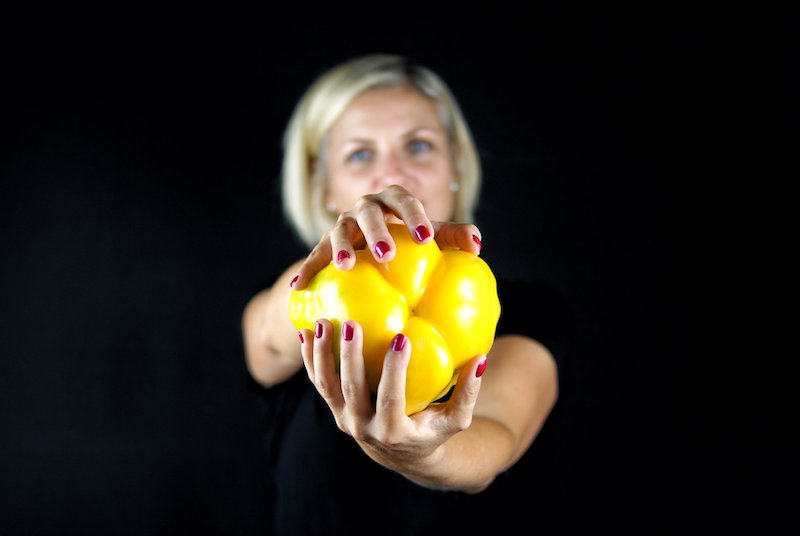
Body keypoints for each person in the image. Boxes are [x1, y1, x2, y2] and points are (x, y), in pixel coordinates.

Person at [242, 54, 572, 534]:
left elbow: (494, 440)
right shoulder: (297, 303)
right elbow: (275, 326)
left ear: (456, 164)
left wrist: (423, 451)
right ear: (325, 186)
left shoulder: (533, 312)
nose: (392, 174)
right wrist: (325, 275)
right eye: (359, 154)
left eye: (418, 145)